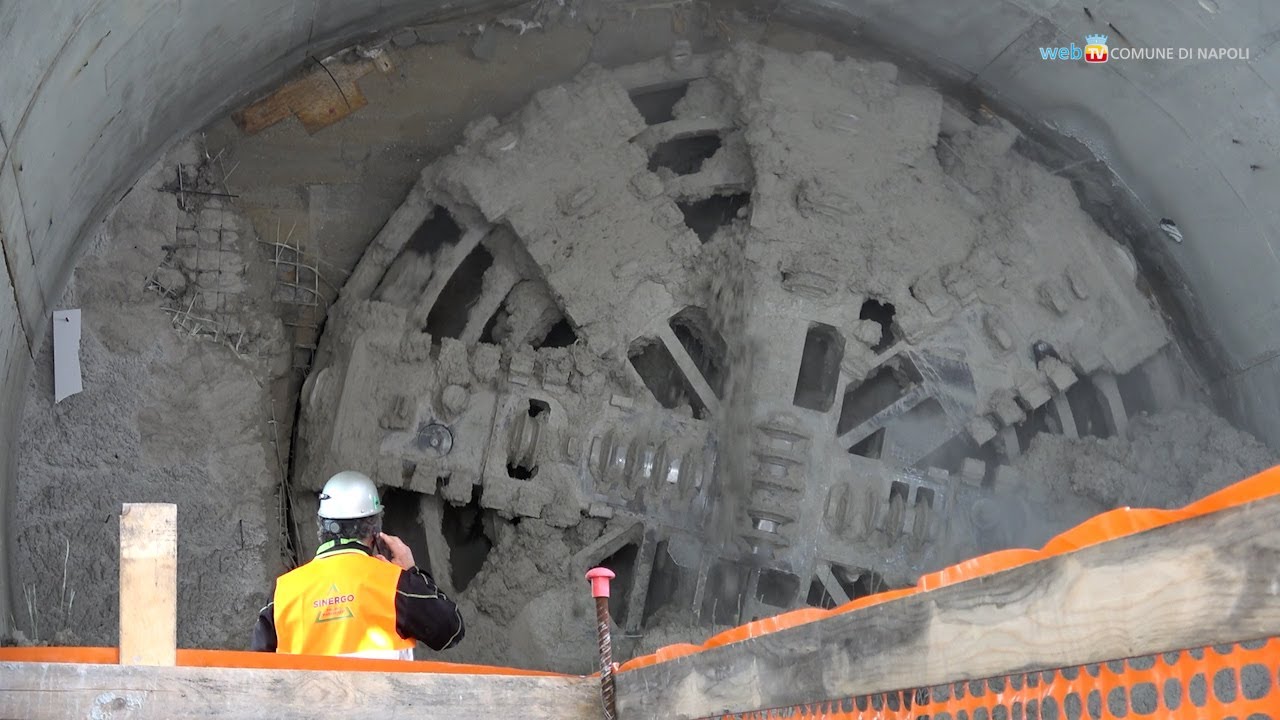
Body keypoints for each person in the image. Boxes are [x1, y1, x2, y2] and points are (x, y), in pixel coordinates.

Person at [251, 470, 464, 658]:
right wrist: (412, 572)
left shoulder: (284, 592)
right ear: (374, 531)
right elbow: (451, 630)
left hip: (308, 702)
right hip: (381, 703)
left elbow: (259, 669)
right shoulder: (395, 585)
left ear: (322, 527)